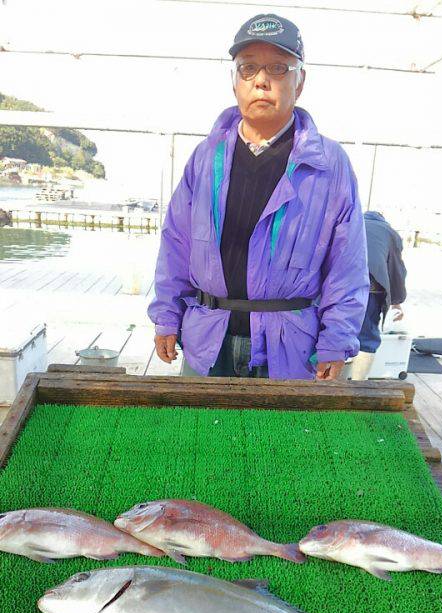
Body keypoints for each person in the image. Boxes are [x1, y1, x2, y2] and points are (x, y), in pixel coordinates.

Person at [149, 13, 369, 380]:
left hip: (291, 350)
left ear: (300, 82)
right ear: (234, 82)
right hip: (207, 345)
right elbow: (176, 243)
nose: (262, 81)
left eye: (279, 68)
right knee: (196, 436)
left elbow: (348, 264)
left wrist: (337, 339)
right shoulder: (205, 157)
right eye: (248, 68)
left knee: (280, 439)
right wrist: (167, 316)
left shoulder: (330, 165)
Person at [351, 210, 407, 379]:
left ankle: (328, 387)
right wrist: (397, 302)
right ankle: (357, 386)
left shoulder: (351, 223)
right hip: (370, 290)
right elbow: (396, 271)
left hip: (339, 287)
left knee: (334, 332)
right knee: (366, 338)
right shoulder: (390, 232)